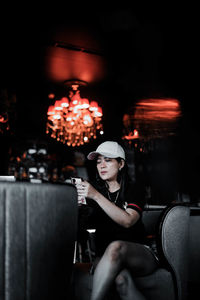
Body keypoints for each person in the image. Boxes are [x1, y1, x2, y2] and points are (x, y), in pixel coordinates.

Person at [74, 141, 159, 300]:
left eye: (108, 160)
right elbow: (81, 232)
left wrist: (96, 196)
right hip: (106, 258)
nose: (102, 165)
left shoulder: (134, 189)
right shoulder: (92, 193)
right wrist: (74, 206)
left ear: (121, 164)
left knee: (116, 247)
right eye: (99, 161)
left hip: (139, 255)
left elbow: (128, 221)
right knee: (121, 281)